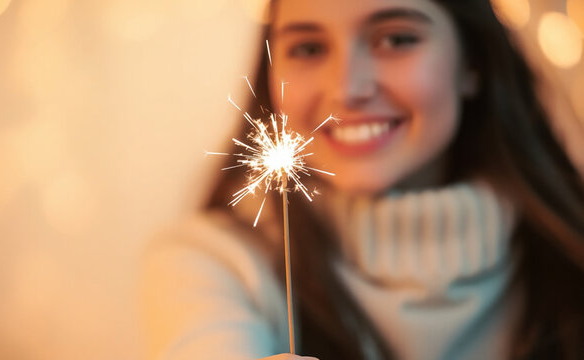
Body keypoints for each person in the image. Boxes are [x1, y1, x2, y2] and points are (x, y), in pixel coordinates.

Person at [143, 0, 584, 359]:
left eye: (396, 39)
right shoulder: (213, 265)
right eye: (309, 49)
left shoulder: (572, 248)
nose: (347, 89)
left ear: (474, 63)